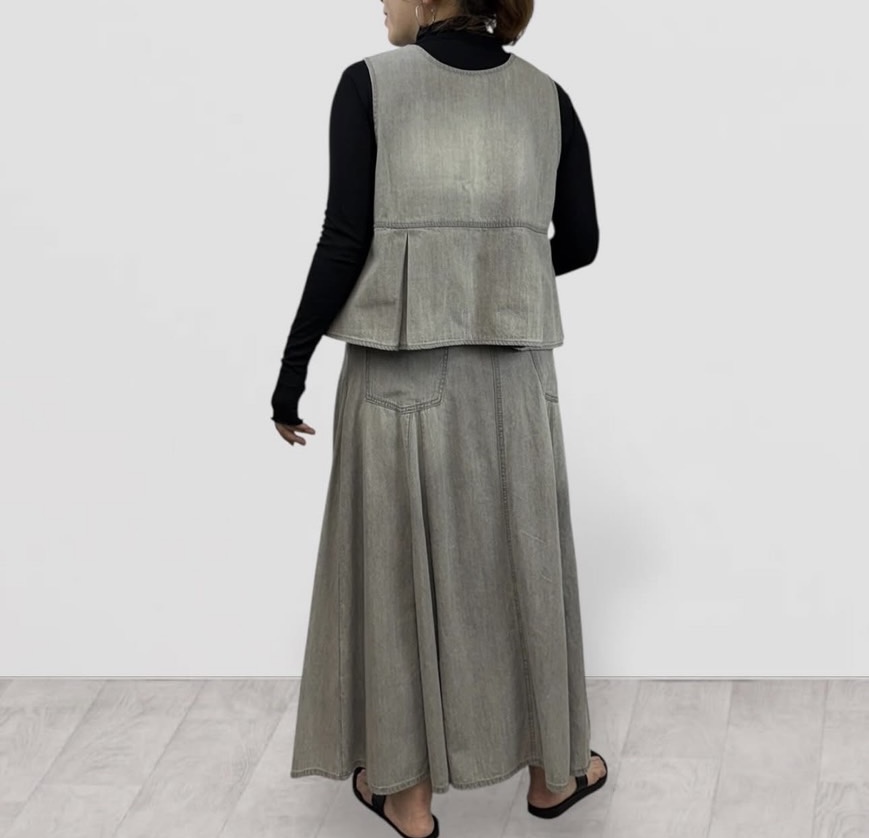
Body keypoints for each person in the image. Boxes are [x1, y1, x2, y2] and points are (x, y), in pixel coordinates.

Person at [271, 1, 606, 836]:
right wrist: (496, 268)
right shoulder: (547, 96)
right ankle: (554, 775)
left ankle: (408, 798)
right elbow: (580, 240)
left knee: (395, 567)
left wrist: (292, 366)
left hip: (398, 371)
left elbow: (344, 237)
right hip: (515, 379)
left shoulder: (369, 85)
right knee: (523, 562)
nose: (379, 3)